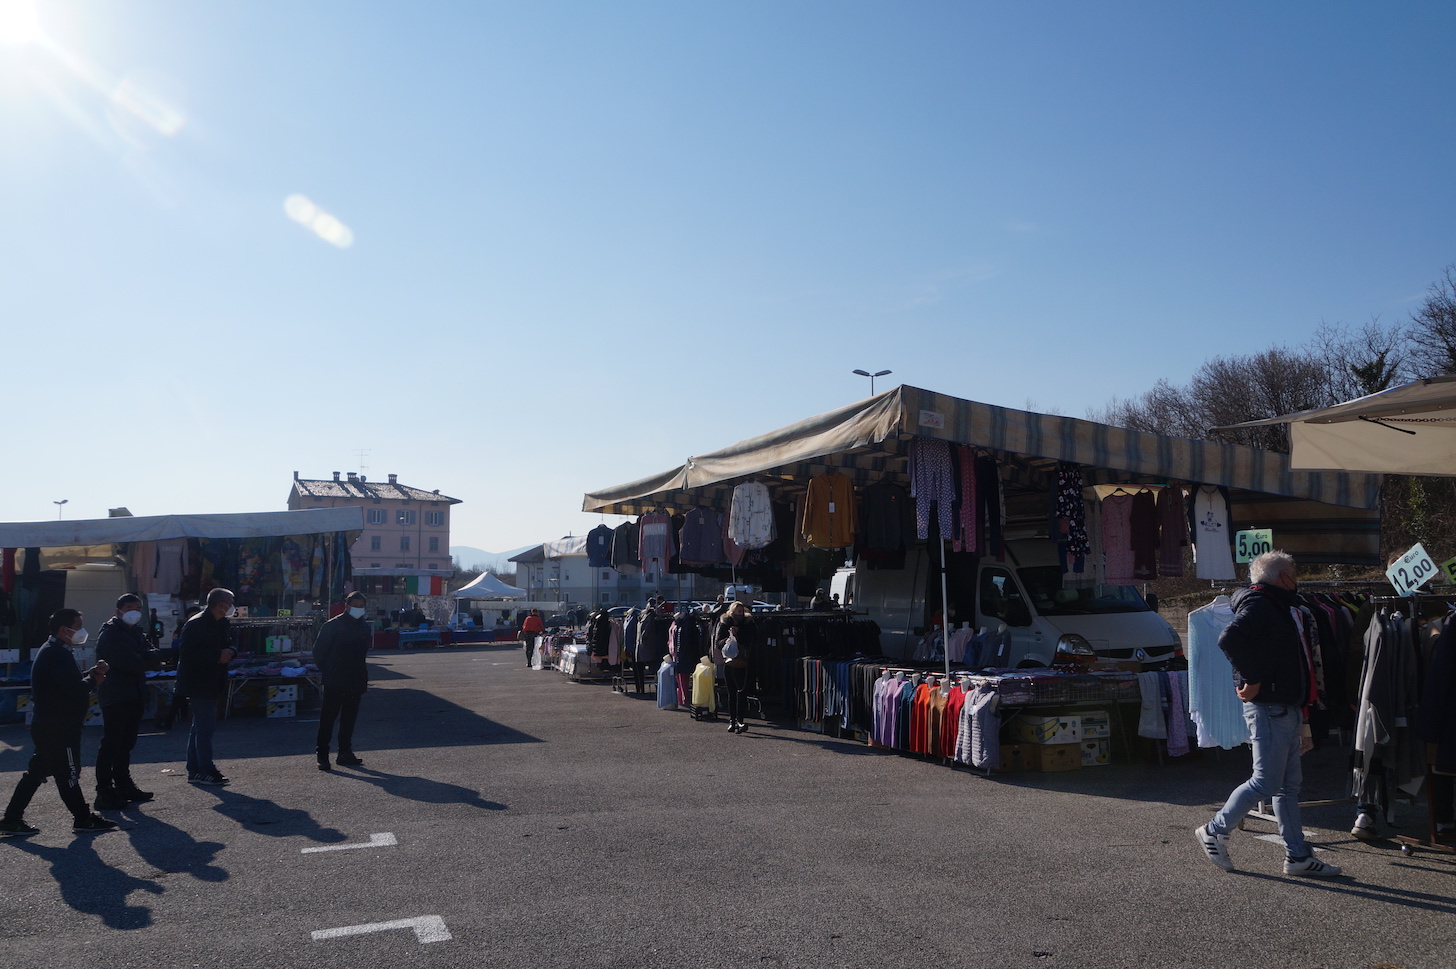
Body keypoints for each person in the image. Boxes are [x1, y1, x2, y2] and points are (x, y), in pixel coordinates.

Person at [1193, 551, 1342, 878]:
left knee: (1286, 787)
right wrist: (1253, 679)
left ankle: (1298, 856)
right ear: (1283, 576)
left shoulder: (1275, 604)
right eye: (1294, 572)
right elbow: (1229, 638)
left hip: (1282, 705)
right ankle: (1215, 829)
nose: (1297, 578)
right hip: (1270, 706)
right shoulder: (1261, 604)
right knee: (1266, 781)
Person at [0, 609, 118, 835]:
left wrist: (90, 675)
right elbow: (74, 690)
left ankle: (11, 818)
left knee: (37, 772)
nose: (82, 631)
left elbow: (66, 682)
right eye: (79, 626)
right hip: (59, 726)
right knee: (69, 773)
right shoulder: (56, 653)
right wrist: (94, 680)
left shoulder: (55, 650)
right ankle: (83, 818)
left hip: (49, 724)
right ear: (65, 630)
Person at [93, 594, 163, 810]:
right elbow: (130, 662)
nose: (135, 612)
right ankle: (104, 791)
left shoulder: (135, 632)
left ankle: (124, 785)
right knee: (111, 744)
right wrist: (145, 657)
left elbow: (153, 654)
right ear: (118, 611)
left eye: (138, 608)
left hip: (134, 693)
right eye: (130, 607)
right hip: (116, 695)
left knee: (126, 744)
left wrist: (145, 656)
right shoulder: (111, 634)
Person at [176, 588, 237, 786]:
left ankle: (194, 769)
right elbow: (187, 654)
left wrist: (229, 652)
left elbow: (230, 645)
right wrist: (216, 655)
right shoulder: (195, 624)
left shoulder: (223, 623)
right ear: (220, 604)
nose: (231, 607)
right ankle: (205, 769)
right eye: (229, 602)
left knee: (199, 727)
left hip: (213, 680)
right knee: (205, 728)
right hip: (198, 682)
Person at [313, 591, 372, 770]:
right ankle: (322, 755)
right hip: (335, 680)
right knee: (328, 719)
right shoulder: (332, 626)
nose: (358, 609)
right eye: (355, 605)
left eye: (361, 606)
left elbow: (363, 653)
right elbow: (318, 653)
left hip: (356, 679)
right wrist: (330, 671)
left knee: (349, 719)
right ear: (347, 606)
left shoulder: (364, 627)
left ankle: (345, 752)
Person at [716, 601, 757, 734]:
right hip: (729, 661)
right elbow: (718, 642)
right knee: (731, 692)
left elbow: (753, 638)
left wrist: (739, 633)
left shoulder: (748, 623)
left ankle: (740, 719)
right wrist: (728, 639)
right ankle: (732, 721)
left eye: (741, 611)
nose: (739, 614)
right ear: (731, 612)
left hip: (743, 661)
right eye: (736, 611)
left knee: (742, 691)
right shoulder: (724, 623)